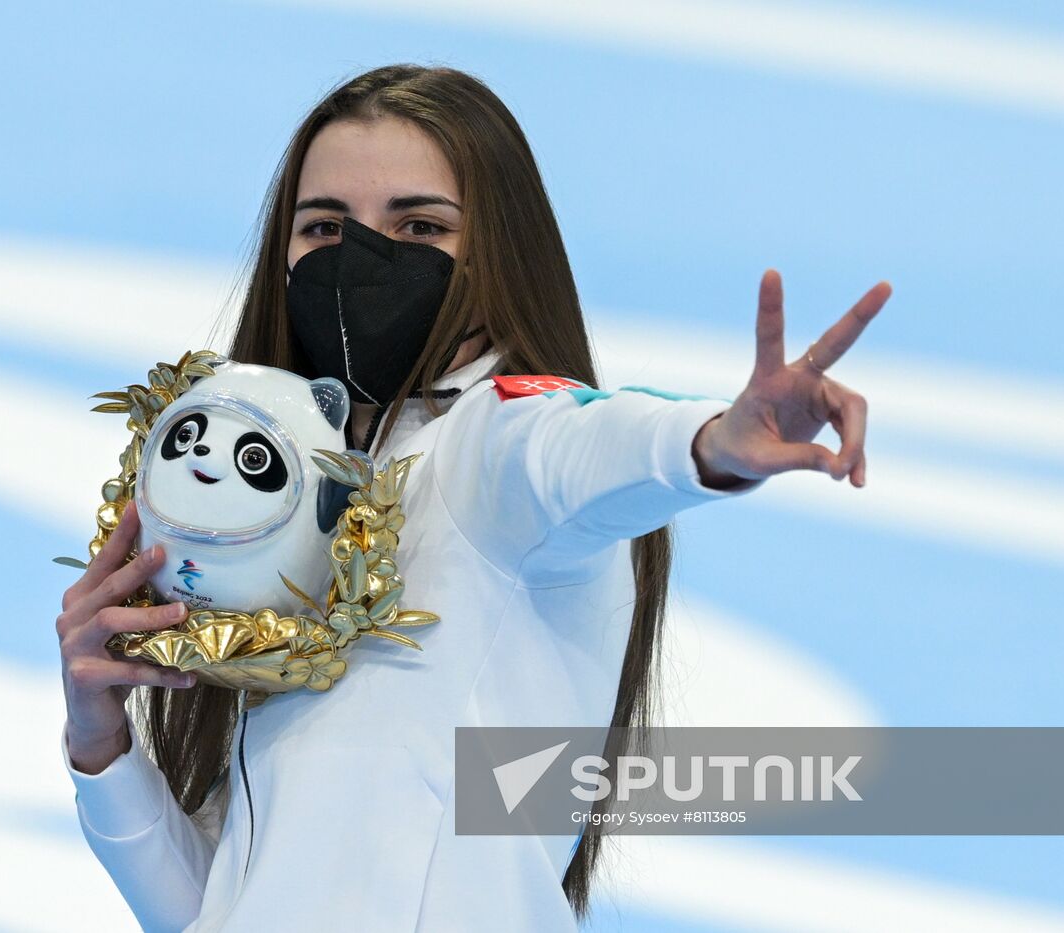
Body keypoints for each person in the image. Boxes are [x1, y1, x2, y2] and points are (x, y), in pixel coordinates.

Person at [56, 64, 888, 931]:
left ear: (497, 250)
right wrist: (102, 746)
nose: (363, 257)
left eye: (419, 225)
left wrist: (714, 443)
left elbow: (589, 444)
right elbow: (218, 911)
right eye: (324, 226)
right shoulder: (308, 492)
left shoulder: (495, 443)